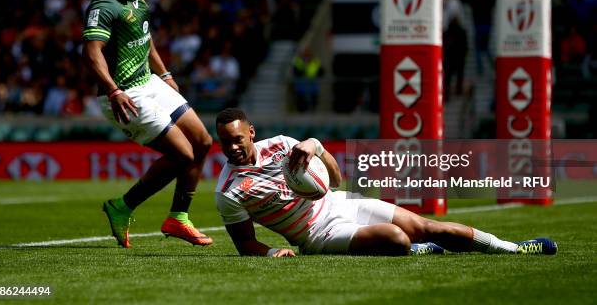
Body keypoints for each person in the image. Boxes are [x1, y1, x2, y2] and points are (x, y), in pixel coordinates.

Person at [214, 108, 558, 257]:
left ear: (251, 134)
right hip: (316, 235)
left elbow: (334, 179)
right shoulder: (228, 191)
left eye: (238, 139)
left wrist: (316, 146)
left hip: (339, 202)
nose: (233, 147)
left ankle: (515, 247)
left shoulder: (284, 145)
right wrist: (274, 251)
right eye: (225, 142)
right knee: (397, 240)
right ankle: (417, 250)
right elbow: (246, 244)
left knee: (426, 226)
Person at [82, 0, 213, 248]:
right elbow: (91, 52)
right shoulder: (104, 6)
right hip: (125, 94)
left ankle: (178, 218)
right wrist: (113, 90)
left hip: (150, 82)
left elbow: (145, 37)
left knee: (204, 142)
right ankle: (121, 206)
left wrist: (164, 72)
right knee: (183, 154)